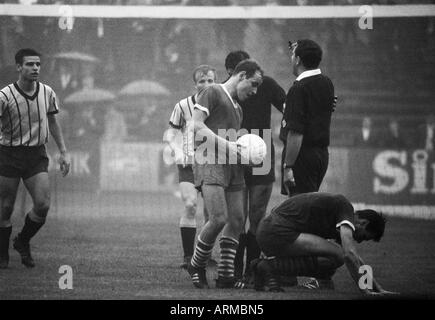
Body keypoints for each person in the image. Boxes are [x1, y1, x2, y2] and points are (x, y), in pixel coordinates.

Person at [186, 59, 264, 289]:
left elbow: (233, 140)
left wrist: (245, 155)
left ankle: (226, 275)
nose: (255, 90)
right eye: (254, 83)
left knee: (238, 219)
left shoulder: (238, 108)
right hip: (209, 161)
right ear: (241, 76)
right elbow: (196, 126)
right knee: (218, 218)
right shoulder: (212, 91)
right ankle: (197, 264)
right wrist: (227, 145)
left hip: (232, 165)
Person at [0, 48, 70, 269]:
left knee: (42, 205)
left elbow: (53, 122)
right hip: (9, 153)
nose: (35, 68)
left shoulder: (47, 92)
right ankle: (2, 256)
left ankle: (22, 241)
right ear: (19, 67)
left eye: (38, 64)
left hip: (36, 154)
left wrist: (64, 152)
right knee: (6, 207)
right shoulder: (4, 96)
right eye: (30, 64)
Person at [252, 192, 396, 296]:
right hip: (275, 231)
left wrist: (376, 287)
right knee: (338, 254)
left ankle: (266, 267)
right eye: (363, 237)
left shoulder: (340, 218)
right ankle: (270, 267)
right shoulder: (345, 207)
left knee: (333, 256)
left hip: (270, 232)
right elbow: (348, 254)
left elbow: (355, 257)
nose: (359, 241)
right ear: (363, 223)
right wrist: (365, 290)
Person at [223, 51, 286, 281]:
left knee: (257, 216)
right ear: (233, 73)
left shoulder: (266, 84)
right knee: (237, 218)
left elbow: (288, 106)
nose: (253, 86)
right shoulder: (223, 91)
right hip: (235, 151)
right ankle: (235, 269)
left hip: (261, 152)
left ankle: (253, 269)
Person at [164, 65, 217, 269]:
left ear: (216, 82)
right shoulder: (182, 106)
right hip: (188, 165)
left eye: (210, 81)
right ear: (194, 84)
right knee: (190, 205)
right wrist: (178, 151)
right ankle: (188, 257)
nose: (206, 85)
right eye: (202, 81)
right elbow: (171, 133)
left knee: (213, 214)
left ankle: (205, 256)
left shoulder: (221, 104)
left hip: (213, 164)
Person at [280, 39, 335, 197]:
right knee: (308, 202)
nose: (291, 59)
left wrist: (288, 166)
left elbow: (296, 132)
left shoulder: (298, 89)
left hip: (302, 157)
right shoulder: (327, 83)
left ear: (297, 60)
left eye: (292, 55)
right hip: (321, 155)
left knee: (300, 207)